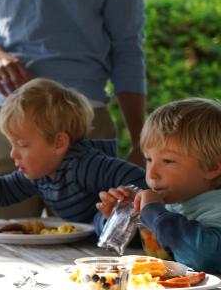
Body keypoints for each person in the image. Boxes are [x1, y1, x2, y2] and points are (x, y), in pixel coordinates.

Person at [0, 0, 147, 220]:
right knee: (3, 244)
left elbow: (128, 44)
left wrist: (140, 142)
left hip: (85, 120)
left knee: (91, 248)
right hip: (6, 117)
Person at [0, 78, 146, 224]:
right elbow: (6, 189)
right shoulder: (40, 174)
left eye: (22, 145)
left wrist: (125, 198)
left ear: (59, 143)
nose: (13, 154)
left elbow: (140, 179)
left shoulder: (85, 165)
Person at [95, 99, 221, 273]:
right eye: (148, 159)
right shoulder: (175, 203)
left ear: (212, 167)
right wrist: (118, 220)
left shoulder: (216, 208)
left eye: (168, 161)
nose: (152, 173)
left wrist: (154, 214)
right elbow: (156, 244)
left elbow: (204, 257)